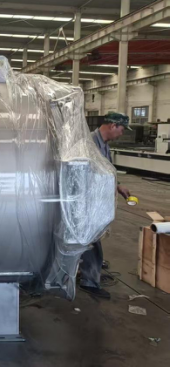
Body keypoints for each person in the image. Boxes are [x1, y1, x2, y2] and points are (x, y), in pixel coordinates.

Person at [79, 112, 132, 299]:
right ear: (113, 125)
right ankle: (89, 281)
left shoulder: (103, 144)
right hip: (87, 202)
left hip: (96, 201)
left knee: (91, 240)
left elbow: (106, 170)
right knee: (91, 241)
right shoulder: (90, 144)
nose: (121, 134)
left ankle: (86, 269)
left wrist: (117, 186)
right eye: (121, 130)